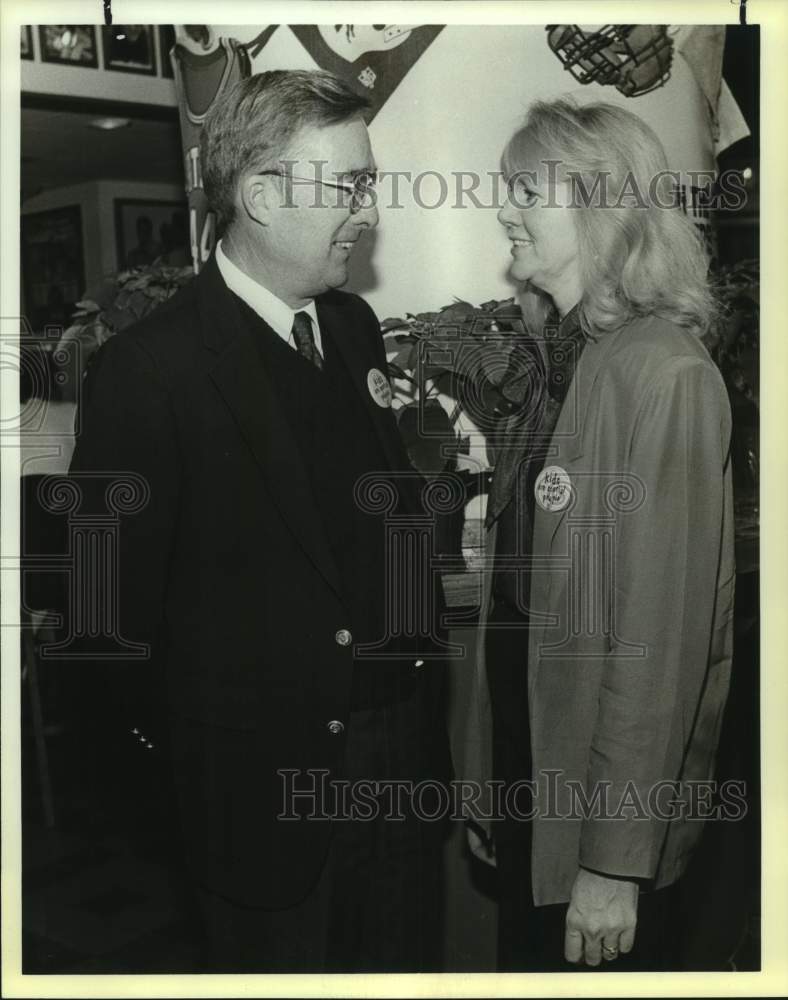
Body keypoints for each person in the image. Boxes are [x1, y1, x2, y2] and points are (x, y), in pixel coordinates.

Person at [67, 70, 450, 973]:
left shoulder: (352, 326)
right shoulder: (146, 372)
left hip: (398, 768)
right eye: (349, 185)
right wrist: (204, 773)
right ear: (262, 194)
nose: (369, 210)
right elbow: (102, 628)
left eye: (370, 183)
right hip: (263, 803)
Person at [465, 98, 734, 971]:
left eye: (524, 189)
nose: (503, 208)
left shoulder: (666, 375)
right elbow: (516, 603)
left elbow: (658, 647)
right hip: (530, 778)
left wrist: (614, 863)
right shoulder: (561, 360)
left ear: (601, 204)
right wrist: (487, 786)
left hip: (599, 817)